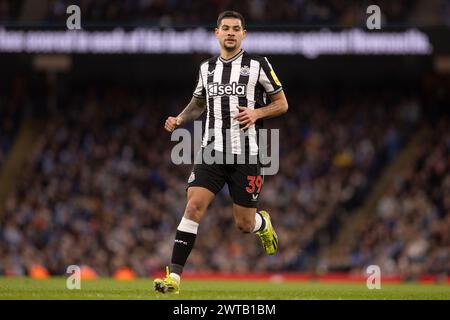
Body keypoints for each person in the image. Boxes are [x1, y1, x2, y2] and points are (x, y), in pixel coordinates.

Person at [154, 10, 288, 294]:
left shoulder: (258, 65)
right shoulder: (207, 69)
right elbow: (198, 104)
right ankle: (174, 279)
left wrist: (257, 112)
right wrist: (179, 119)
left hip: (247, 154)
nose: (230, 32)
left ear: (243, 33)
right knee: (193, 207)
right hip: (212, 152)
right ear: (216, 33)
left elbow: (282, 104)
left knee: (244, 224)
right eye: (225, 28)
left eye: (235, 28)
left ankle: (263, 223)